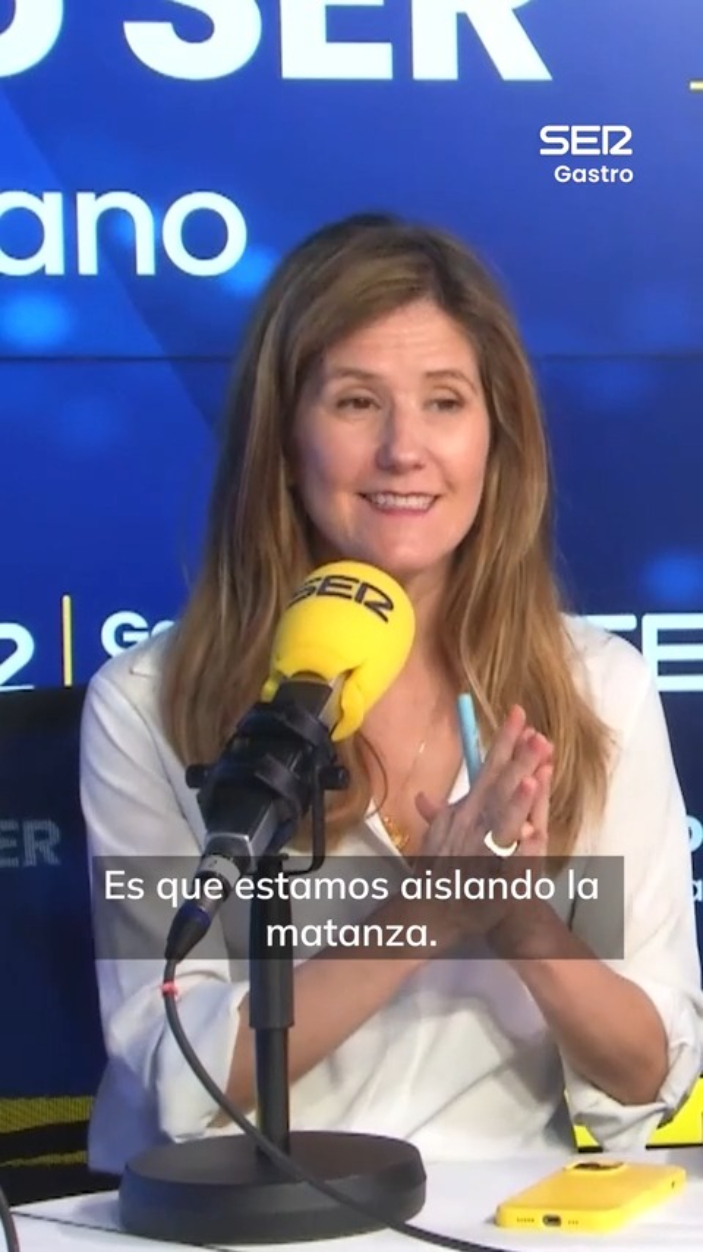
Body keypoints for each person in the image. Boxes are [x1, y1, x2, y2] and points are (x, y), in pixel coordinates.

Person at [80, 212, 703, 1175]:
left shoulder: (594, 690)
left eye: (444, 402)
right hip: (233, 1215)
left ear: (496, 440)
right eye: (356, 402)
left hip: (495, 1215)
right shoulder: (147, 702)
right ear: (283, 441)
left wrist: (518, 918)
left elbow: (643, 1072)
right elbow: (181, 1079)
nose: (403, 450)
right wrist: (430, 912)